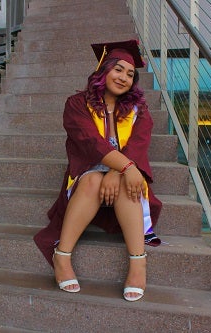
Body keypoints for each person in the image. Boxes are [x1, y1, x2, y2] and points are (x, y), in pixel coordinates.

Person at [33, 39, 162, 302]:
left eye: (130, 74)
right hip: (88, 173)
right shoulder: (77, 104)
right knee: (92, 181)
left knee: (129, 183)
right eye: (119, 69)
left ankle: (138, 263)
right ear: (104, 69)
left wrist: (118, 171)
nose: (124, 77)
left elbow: (138, 144)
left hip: (125, 177)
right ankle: (62, 256)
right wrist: (125, 167)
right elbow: (89, 142)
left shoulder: (139, 110)